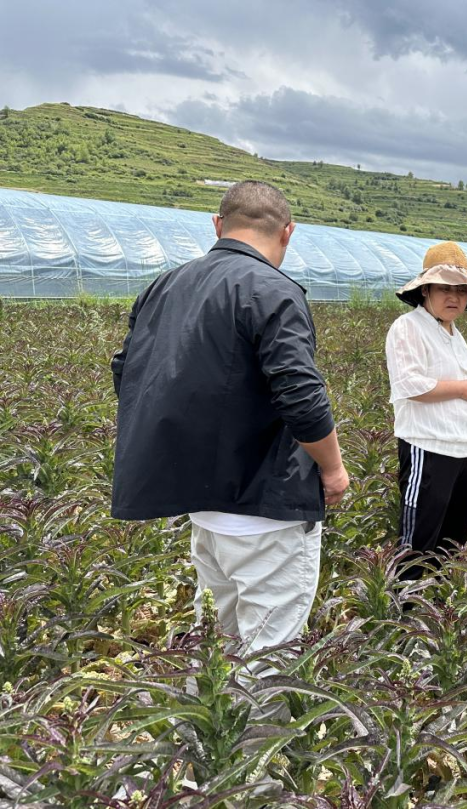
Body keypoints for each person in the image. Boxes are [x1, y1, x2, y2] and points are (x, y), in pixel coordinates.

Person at [111, 180, 349, 657]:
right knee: (269, 656)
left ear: (218, 225)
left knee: (226, 644)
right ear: (288, 232)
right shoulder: (274, 291)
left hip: (205, 514)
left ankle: (214, 733)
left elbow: (128, 372)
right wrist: (333, 468)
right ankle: (258, 735)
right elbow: (301, 394)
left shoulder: (165, 285)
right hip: (266, 510)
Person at [385, 241, 467, 580]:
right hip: (429, 447)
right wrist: (461, 389)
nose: (454, 297)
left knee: (454, 537)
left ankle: (438, 608)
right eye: (445, 289)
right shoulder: (408, 327)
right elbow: (409, 385)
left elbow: (466, 396)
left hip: (465, 451)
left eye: (461, 290)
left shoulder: (453, 334)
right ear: (425, 290)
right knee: (418, 537)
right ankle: (404, 615)